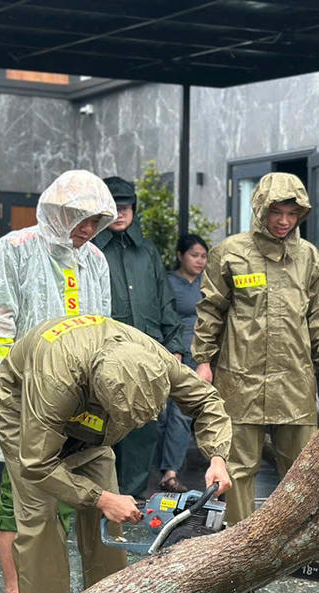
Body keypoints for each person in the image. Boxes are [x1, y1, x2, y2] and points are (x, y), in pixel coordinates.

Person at [0, 314, 232, 593]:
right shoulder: (56, 381)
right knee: (41, 520)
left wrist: (217, 458)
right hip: (24, 407)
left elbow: (207, 401)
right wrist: (101, 498)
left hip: (90, 423)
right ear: (102, 398)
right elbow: (38, 464)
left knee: (107, 515)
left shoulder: (156, 362)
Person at [0, 170, 116, 593]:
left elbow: (104, 327)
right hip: (25, 397)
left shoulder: (94, 259)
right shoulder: (13, 251)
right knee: (23, 496)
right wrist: (4, 392)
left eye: (95, 219)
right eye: (79, 217)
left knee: (86, 491)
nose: (88, 228)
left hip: (83, 401)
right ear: (55, 210)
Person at [192, 172, 319, 524]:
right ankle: (240, 541)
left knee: (302, 464)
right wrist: (203, 361)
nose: (284, 221)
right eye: (277, 212)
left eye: (292, 213)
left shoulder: (307, 257)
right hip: (240, 377)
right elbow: (211, 310)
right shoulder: (229, 253)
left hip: (293, 376)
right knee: (238, 466)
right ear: (260, 209)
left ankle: (294, 538)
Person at [92, 176, 184, 497]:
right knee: (104, 427)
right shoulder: (90, 251)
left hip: (147, 353)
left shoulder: (147, 252)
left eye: (126, 207)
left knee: (144, 427)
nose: (120, 214)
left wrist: (174, 346)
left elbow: (165, 301)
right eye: (113, 208)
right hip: (104, 355)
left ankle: (134, 496)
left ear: (134, 209)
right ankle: (105, 497)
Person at [155, 234, 209, 492]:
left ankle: (170, 472)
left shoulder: (207, 283)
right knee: (162, 414)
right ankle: (160, 468)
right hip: (171, 353)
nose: (199, 261)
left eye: (203, 256)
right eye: (194, 255)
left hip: (199, 356)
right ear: (180, 256)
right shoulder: (168, 282)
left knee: (181, 413)